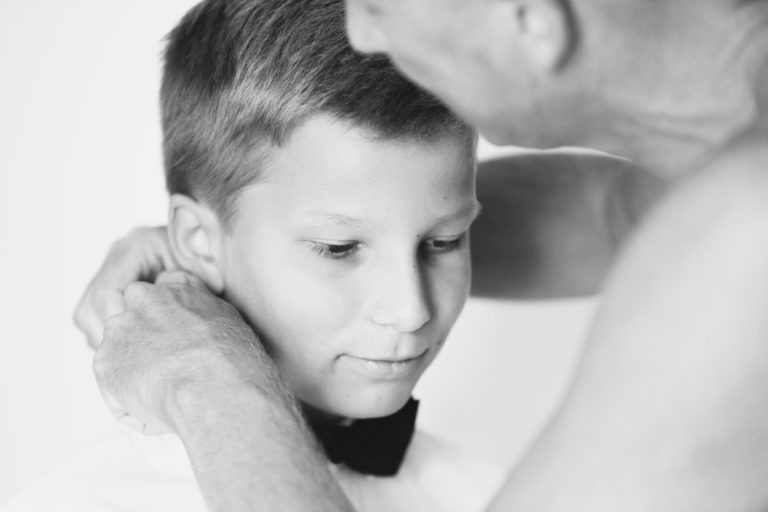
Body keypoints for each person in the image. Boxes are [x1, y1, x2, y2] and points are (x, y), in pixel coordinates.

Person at [75, 0, 768, 511]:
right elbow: (616, 211)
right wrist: (241, 248)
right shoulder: (724, 179)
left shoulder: (738, 238)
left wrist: (207, 373)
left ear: (528, 18)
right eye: (339, 248)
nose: (360, 29)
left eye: (382, 3)